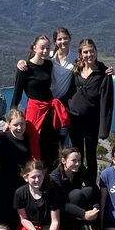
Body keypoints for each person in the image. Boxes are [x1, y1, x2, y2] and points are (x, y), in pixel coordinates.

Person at [11, 34, 69, 168]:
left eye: (48, 48)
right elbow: (17, 94)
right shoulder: (25, 69)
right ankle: (36, 172)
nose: (45, 51)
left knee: (51, 143)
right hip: (34, 111)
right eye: (42, 48)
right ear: (34, 48)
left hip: (50, 110)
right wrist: (11, 119)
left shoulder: (49, 64)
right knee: (34, 141)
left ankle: (51, 175)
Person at [66, 38, 113, 183]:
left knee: (91, 156)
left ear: (96, 52)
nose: (89, 54)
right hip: (74, 120)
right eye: (85, 52)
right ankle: (76, 184)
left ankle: (92, 186)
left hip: (92, 122)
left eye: (92, 51)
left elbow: (107, 103)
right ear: (80, 54)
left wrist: (104, 130)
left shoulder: (104, 73)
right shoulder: (76, 69)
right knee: (76, 155)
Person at [50, 146, 100, 230]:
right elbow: (60, 203)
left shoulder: (80, 169)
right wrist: (83, 214)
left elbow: (94, 188)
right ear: (63, 160)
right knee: (76, 194)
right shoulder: (55, 177)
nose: (77, 163)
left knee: (88, 190)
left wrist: (95, 208)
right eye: (73, 160)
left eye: (79, 160)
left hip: (77, 206)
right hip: (63, 211)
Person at [0, 108, 32, 230]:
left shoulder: (28, 139)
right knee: (5, 224)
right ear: (8, 124)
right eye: (15, 124)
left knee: (20, 222)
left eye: (22, 124)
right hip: (5, 188)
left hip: (22, 187)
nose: (19, 127)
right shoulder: (1, 137)